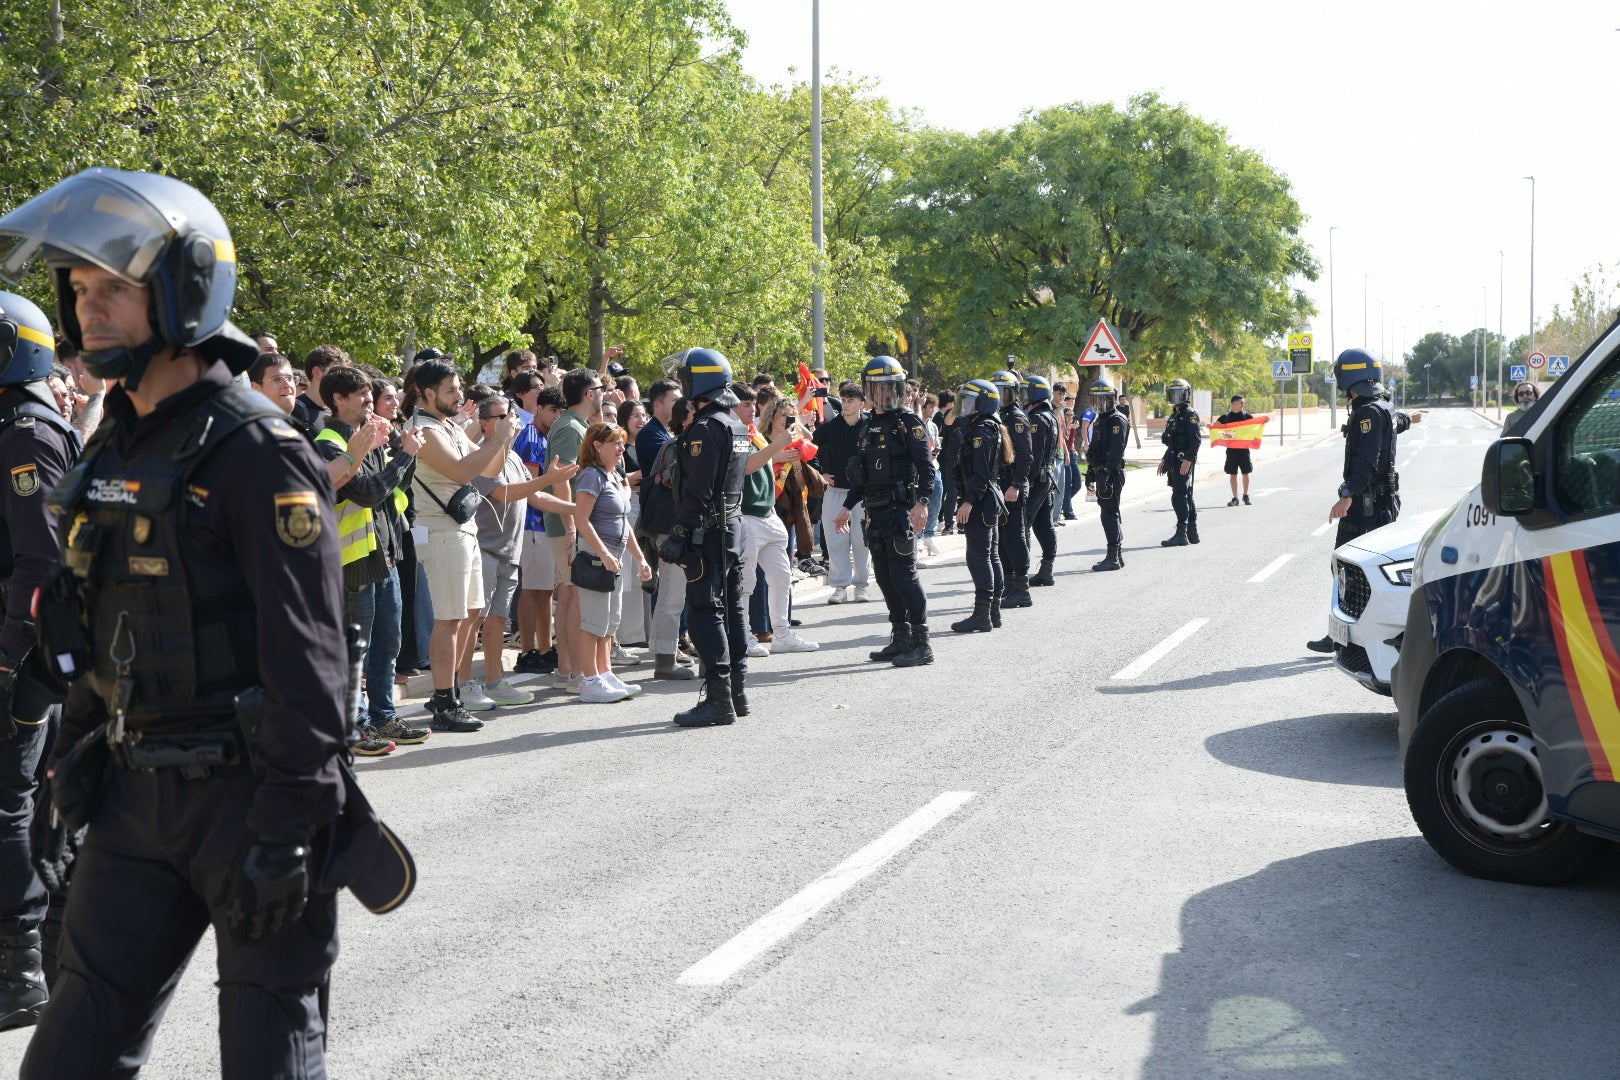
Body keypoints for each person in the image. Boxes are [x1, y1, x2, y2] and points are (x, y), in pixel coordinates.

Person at [0, 167, 405, 1077]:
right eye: (78, 290)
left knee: (268, 1047)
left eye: (113, 288)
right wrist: (75, 753)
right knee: (70, 1054)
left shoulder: (258, 450)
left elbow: (313, 662)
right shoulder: (114, 439)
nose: (89, 308)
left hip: (253, 797)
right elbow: (100, 623)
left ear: (182, 291)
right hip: (134, 797)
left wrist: (289, 824)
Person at [0, 292, 78, 1031]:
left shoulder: (25, 431)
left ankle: (21, 970)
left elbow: (40, 560)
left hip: (20, 658)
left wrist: (3, 658)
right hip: (30, 652)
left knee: (7, 807)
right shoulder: (18, 424)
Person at [312, 365, 429, 755]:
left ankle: (383, 715)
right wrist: (405, 456)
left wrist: (402, 449)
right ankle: (356, 726)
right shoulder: (330, 442)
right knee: (356, 652)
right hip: (353, 562)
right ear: (337, 400)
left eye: (368, 392)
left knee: (387, 643)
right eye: (359, 394)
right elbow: (367, 492)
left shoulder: (373, 435)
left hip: (385, 555)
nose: (368, 399)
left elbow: (395, 486)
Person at [410, 355, 522, 730]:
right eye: (451, 389)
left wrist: (502, 441)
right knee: (450, 618)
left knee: (471, 613)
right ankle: (444, 700)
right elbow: (460, 471)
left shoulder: (449, 426)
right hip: (441, 531)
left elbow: (482, 473)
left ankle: (452, 692)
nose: (459, 395)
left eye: (459, 387)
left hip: (463, 529)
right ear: (426, 393)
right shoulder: (425, 429)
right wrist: (500, 437)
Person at [657, 348, 751, 726]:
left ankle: (718, 697)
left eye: (687, 376)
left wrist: (680, 534)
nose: (682, 383)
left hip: (708, 531)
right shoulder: (737, 425)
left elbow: (698, 488)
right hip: (732, 526)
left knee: (704, 612)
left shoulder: (705, 428)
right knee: (733, 609)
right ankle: (737, 692)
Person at [464, 394, 576, 708]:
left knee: (497, 621)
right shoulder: (481, 455)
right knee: (473, 621)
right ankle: (463, 685)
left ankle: (494, 681)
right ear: (484, 423)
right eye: (500, 416)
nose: (509, 422)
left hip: (509, 552)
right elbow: (505, 493)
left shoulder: (512, 457)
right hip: (484, 549)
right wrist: (548, 479)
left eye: (510, 415)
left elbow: (536, 497)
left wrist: (575, 508)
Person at [836, 356, 936, 667]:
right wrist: (846, 507)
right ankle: (900, 636)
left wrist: (922, 503)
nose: (883, 394)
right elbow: (861, 475)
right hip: (874, 511)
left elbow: (926, 467)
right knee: (884, 576)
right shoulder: (868, 426)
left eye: (888, 388)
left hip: (900, 510)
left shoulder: (909, 424)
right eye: (876, 388)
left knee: (904, 575)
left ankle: (922, 643)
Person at [1307, 349, 1403, 654]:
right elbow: (1396, 423)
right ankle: (1349, 636)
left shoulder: (1367, 412)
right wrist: (1409, 419)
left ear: (1350, 376)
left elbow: (1367, 462)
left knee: (1348, 569)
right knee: (1364, 570)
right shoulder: (1382, 407)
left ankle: (1345, 637)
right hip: (1379, 503)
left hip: (1366, 505)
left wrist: (1346, 496)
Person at [573, 422, 651, 702]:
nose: (621, 449)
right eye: (615, 443)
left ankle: (604, 674)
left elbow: (622, 523)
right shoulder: (591, 476)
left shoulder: (614, 476)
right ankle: (590, 681)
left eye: (621, 442)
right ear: (597, 445)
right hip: (597, 558)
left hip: (614, 558)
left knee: (609, 623)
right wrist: (603, 554)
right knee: (593, 622)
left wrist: (639, 558)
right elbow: (581, 519)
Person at [542, 367, 603, 694]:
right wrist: (571, 528)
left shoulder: (577, 424)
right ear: (590, 393)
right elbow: (561, 478)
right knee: (574, 596)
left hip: (572, 523)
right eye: (600, 386)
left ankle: (568, 669)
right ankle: (573, 671)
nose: (605, 391)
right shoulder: (570, 427)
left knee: (569, 594)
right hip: (569, 525)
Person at [746, 396, 819, 655]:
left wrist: (792, 452)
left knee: (782, 577)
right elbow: (746, 467)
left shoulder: (757, 436)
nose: (751, 409)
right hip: (748, 514)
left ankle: (782, 634)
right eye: (746, 405)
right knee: (747, 582)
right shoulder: (740, 435)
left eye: (752, 404)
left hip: (771, 514)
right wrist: (776, 450)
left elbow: (807, 456)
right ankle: (745, 635)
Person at [512, 385, 570, 675]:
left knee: (545, 591)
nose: (557, 416)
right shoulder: (531, 437)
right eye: (552, 410)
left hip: (544, 522)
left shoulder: (550, 436)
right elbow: (531, 486)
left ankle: (545, 648)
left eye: (560, 411)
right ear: (538, 409)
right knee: (532, 590)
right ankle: (527, 651)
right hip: (532, 523)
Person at [951, 380, 1008, 632]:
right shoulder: (986, 427)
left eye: (971, 401)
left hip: (981, 500)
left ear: (984, 403)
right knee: (991, 554)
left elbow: (980, 473)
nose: (965, 406)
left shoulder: (981, 431)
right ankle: (992, 612)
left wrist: (969, 501)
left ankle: (982, 614)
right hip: (988, 498)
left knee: (978, 555)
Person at [813, 381, 871, 604]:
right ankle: (839, 587)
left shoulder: (870, 425)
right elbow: (809, 448)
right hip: (836, 492)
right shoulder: (831, 426)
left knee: (861, 541)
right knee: (836, 541)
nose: (846, 405)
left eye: (851, 401)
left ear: (861, 403)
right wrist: (821, 473)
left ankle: (862, 585)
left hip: (864, 495)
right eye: (844, 400)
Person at [989, 369, 1034, 608]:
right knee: (1004, 537)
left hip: (1012, 484)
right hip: (1001, 484)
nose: (1001, 397)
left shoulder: (1016, 418)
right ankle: (1009, 585)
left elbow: (1026, 457)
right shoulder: (998, 416)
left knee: (1015, 536)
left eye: (1004, 393)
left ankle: (1022, 589)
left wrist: (1016, 484)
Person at [1085, 377, 1130, 571]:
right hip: (1101, 470)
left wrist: (1106, 472)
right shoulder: (1100, 420)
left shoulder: (1116, 420)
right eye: (1096, 400)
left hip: (1111, 472)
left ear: (1112, 400)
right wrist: (1090, 470)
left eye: (1104, 400)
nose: (1100, 404)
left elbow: (1116, 450)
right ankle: (1116, 555)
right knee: (1109, 512)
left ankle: (1113, 556)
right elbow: (1096, 447)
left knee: (1109, 514)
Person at [1023, 374, 1062, 586]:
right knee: (1043, 524)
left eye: (1027, 392)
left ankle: (1019, 574)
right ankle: (1047, 569)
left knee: (1023, 523)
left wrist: (1024, 481)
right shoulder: (1051, 416)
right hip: (1046, 477)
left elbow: (1034, 456)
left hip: (1037, 479)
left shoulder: (1037, 419)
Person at [1159, 377, 1201, 546]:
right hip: (1173, 458)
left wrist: (1188, 460)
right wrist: (1164, 458)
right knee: (1185, 495)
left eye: (1180, 394)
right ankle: (1192, 532)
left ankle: (1181, 533)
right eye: (1173, 394)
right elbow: (1171, 442)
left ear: (1187, 395)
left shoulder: (1189, 415)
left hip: (1183, 459)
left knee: (1179, 496)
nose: (1176, 398)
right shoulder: (1175, 415)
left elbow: (1196, 441)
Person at [294, 343, 347, 429]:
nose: (341, 379)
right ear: (316, 372)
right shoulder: (295, 411)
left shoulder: (337, 412)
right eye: (335, 372)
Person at [1217, 393, 1255, 505]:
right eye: (1241, 402)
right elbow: (1215, 426)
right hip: (1231, 451)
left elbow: (1257, 426)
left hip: (1244, 450)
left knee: (1246, 473)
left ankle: (1246, 495)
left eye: (1243, 402)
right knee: (1232, 474)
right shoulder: (1226, 417)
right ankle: (1235, 498)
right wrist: (1210, 426)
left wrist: (1264, 420)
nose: (1243, 404)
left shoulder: (1247, 416)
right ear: (1234, 403)